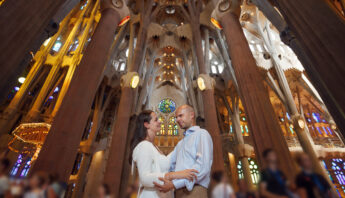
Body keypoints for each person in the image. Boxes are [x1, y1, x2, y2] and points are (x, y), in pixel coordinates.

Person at [129, 110, 198, 198]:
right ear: (146, 124)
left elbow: (168, 161)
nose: (160, 121)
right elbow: (145, 178)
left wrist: (186, 141)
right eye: (156, 120)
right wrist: (174, 175)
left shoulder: (154, 146)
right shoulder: (144, 145)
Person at [154, 105, 213, 198]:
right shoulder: (180, 144)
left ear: (191, 115)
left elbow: (202, 168)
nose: (177, 120)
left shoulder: (201, 134)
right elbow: (170, 166)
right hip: (178, 192)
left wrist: (174, 184)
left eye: (181, 116)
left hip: (195, 190)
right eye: (176, 117)